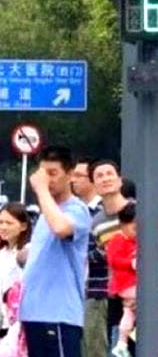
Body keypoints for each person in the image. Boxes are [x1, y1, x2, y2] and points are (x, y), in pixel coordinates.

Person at [20, 146, 92, 357]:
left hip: (59, 314)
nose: (47, 180)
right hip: (33, 312)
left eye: (53, 173)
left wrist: (41, 191)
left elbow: (62, 229)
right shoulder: (46, 213)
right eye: (43, 174)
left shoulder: (76, 209)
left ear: (69, 174)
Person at [88, 160, 131, 350]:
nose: (105, 178)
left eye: (109, 173)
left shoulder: (137, 211)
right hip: (114, 296)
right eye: (99, 176)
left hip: (144, 295)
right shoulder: (96, 222)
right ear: (95, 186)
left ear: (119, 180)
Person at [73, 156, 109, 357]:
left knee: (94, 348)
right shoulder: (76, 210)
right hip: (77, 291)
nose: (74, 180)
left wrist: (81, 257)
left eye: (79, 175)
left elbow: (108, 250)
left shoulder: (103, 211)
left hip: (97, 290)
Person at [106, 205, 137, 357]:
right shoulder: (118, 240)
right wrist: (131, 263)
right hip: (125, 284)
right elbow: (114, 260)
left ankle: (122, 343)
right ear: (123, 225)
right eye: (135, 228)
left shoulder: (134, 241)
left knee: (128, 313)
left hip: (131, 284)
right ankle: (122, 342)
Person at [0, 202, 30, 334]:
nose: (3, 227)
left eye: (9, 223)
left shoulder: (28, 252)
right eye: (1, 222)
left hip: (17, 322)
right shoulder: (2, 252)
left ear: (23, 226)